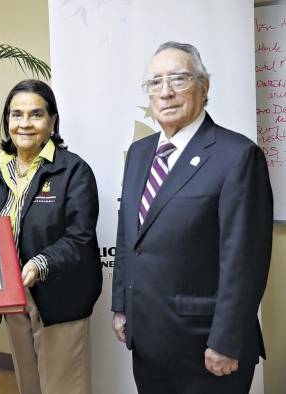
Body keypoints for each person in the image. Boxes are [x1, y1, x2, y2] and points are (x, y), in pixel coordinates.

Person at [112, 41, 273, 394]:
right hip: (148, 341)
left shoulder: (238, 155)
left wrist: (227, 341)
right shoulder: (140, 153)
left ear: (204, 86)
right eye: (155, 83)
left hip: (205, 347)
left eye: (179, 79)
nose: (166, 92)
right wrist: (122, 306)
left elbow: (244, 261)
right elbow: (129, 238)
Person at [0, 79, 102, 394]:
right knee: (28, 385)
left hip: (59, 299)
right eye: (16, 115)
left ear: (52, 120)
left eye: (35, 114)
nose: (24, 124)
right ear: (7, 121)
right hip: (13, 299)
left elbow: (79, 237)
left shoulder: (74, 171)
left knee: (63, 387)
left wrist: (40, 264)